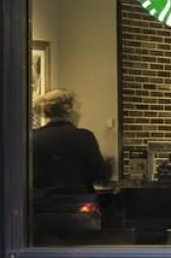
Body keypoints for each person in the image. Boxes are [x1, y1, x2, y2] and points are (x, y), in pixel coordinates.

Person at [30, 90, 111, 239]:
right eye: (78, 107)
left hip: (42, 210)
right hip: (79, 208)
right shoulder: (84, 137)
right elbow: (100, 175)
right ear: (68, 109)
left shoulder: (33, 138)